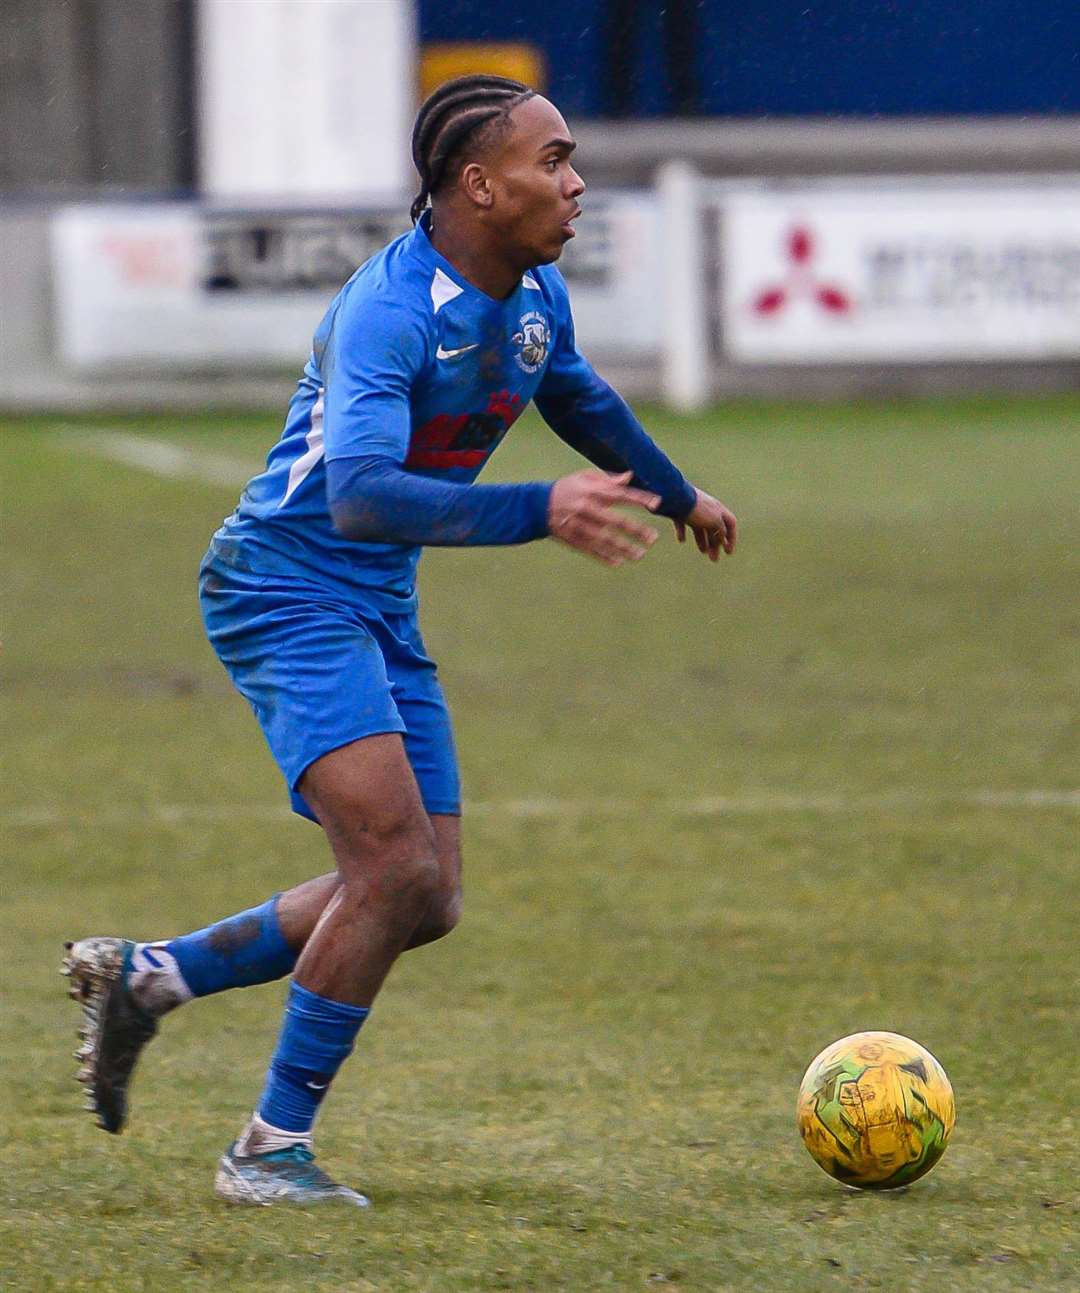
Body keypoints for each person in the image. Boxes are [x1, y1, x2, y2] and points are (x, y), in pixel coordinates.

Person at [62, 74, 737, 1208]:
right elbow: (362, 495)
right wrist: (539, 509)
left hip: (374, 599)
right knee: (391, 868)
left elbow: (572, 393)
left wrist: (675, 494)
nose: (576, 185)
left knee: (425, 895)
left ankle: (152, 977)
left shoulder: (528, 293)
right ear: (480, 183)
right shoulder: (389, 311)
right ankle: (265, 1156)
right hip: (284, 586)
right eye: (555, 161)